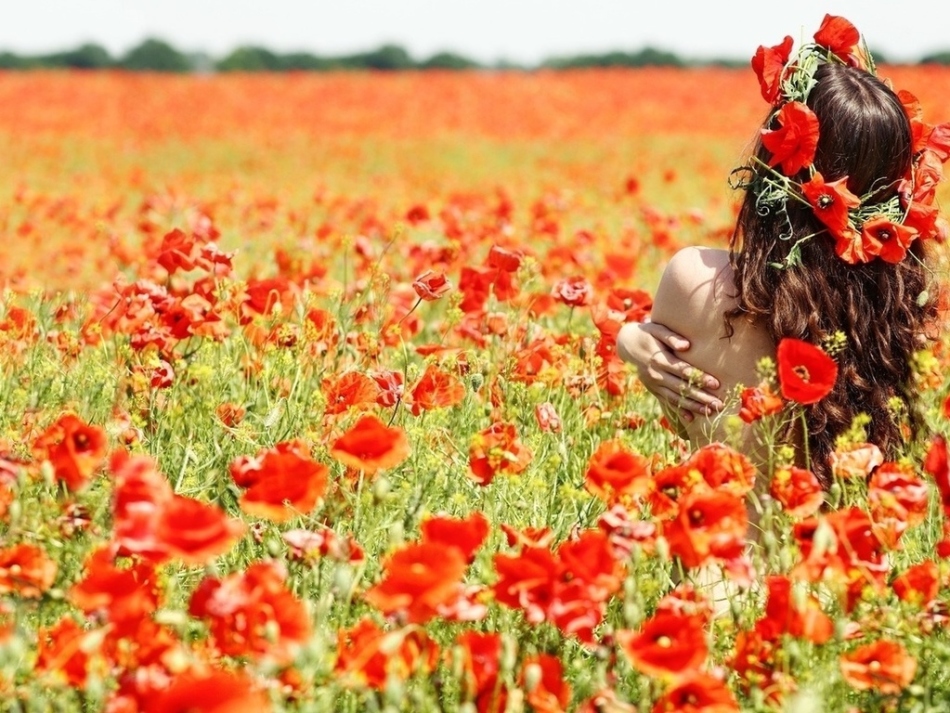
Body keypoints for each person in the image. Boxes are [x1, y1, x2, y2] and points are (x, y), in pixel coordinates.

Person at [617, 15, 946, 488]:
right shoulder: (900, 320)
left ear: (776, 160)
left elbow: (687, 423)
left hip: (714, 559)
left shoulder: (694, 282)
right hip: (832, 560)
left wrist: (630, 340)